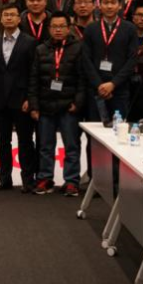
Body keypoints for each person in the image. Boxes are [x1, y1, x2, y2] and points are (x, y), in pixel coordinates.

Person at [28, 11, 87, 197]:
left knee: (71, 146)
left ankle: (71, 181)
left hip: (69, 106)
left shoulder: (78, 48)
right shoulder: (40, 49)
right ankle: (45, 178)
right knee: (45, 146)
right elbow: (33, 80)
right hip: (45, 106)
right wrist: (34, 106)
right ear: (49, 29)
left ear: (69, 29)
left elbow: (83, 79)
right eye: (54, 26)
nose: (58, 30)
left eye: (62, 26)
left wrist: (78, 103)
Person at [0, 2, 38, 192]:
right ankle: (4, 178)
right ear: (1, 19)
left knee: (25, 141)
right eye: (5, 15)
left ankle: (28, 180)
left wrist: (30, 99)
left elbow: (33, 73)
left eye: (12, 15)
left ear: (19, 18)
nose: (9, 18)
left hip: (21, 99)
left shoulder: (30, 42)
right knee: (2, 142)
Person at [83, 0, 136, 123]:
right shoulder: (91, 28)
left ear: (120, 5)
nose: (109, 6)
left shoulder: (130, 29)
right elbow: (86, 59)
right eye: (105, 2)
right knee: (94, 130)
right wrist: (99, 85)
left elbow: (132, 60)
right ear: (99, 5)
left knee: (118, 131)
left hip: (120, 89)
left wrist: (113, 84)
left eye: (113, 2)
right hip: (96, 89)